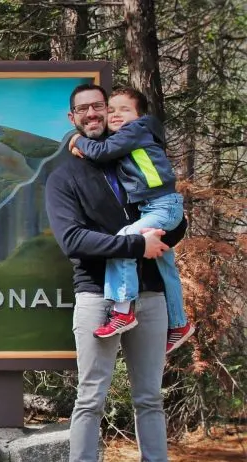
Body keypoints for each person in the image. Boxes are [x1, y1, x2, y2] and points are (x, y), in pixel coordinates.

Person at [45, 84, 198, 462]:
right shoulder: (64, 178)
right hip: (97, 298)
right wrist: (136, 246)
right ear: (72, 118)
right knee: (90, 397)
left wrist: (170, 228)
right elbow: (73, 240)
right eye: (85, 109)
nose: (94, 114)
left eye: (101, 107)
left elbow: (171, 225)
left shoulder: (131, 157)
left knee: (149, 398)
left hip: (149, 298)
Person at [67, 86, 194, 354]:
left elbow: (102, 152)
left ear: (139, 115)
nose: (115, 115)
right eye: (111, 109)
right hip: (157, 206)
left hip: (162, 205)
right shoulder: (132, 135)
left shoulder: (136, 131)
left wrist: (77, 140)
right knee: (166, 264)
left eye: (124, 110)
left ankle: (123, 310)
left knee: (126, 238)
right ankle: (180, 323)